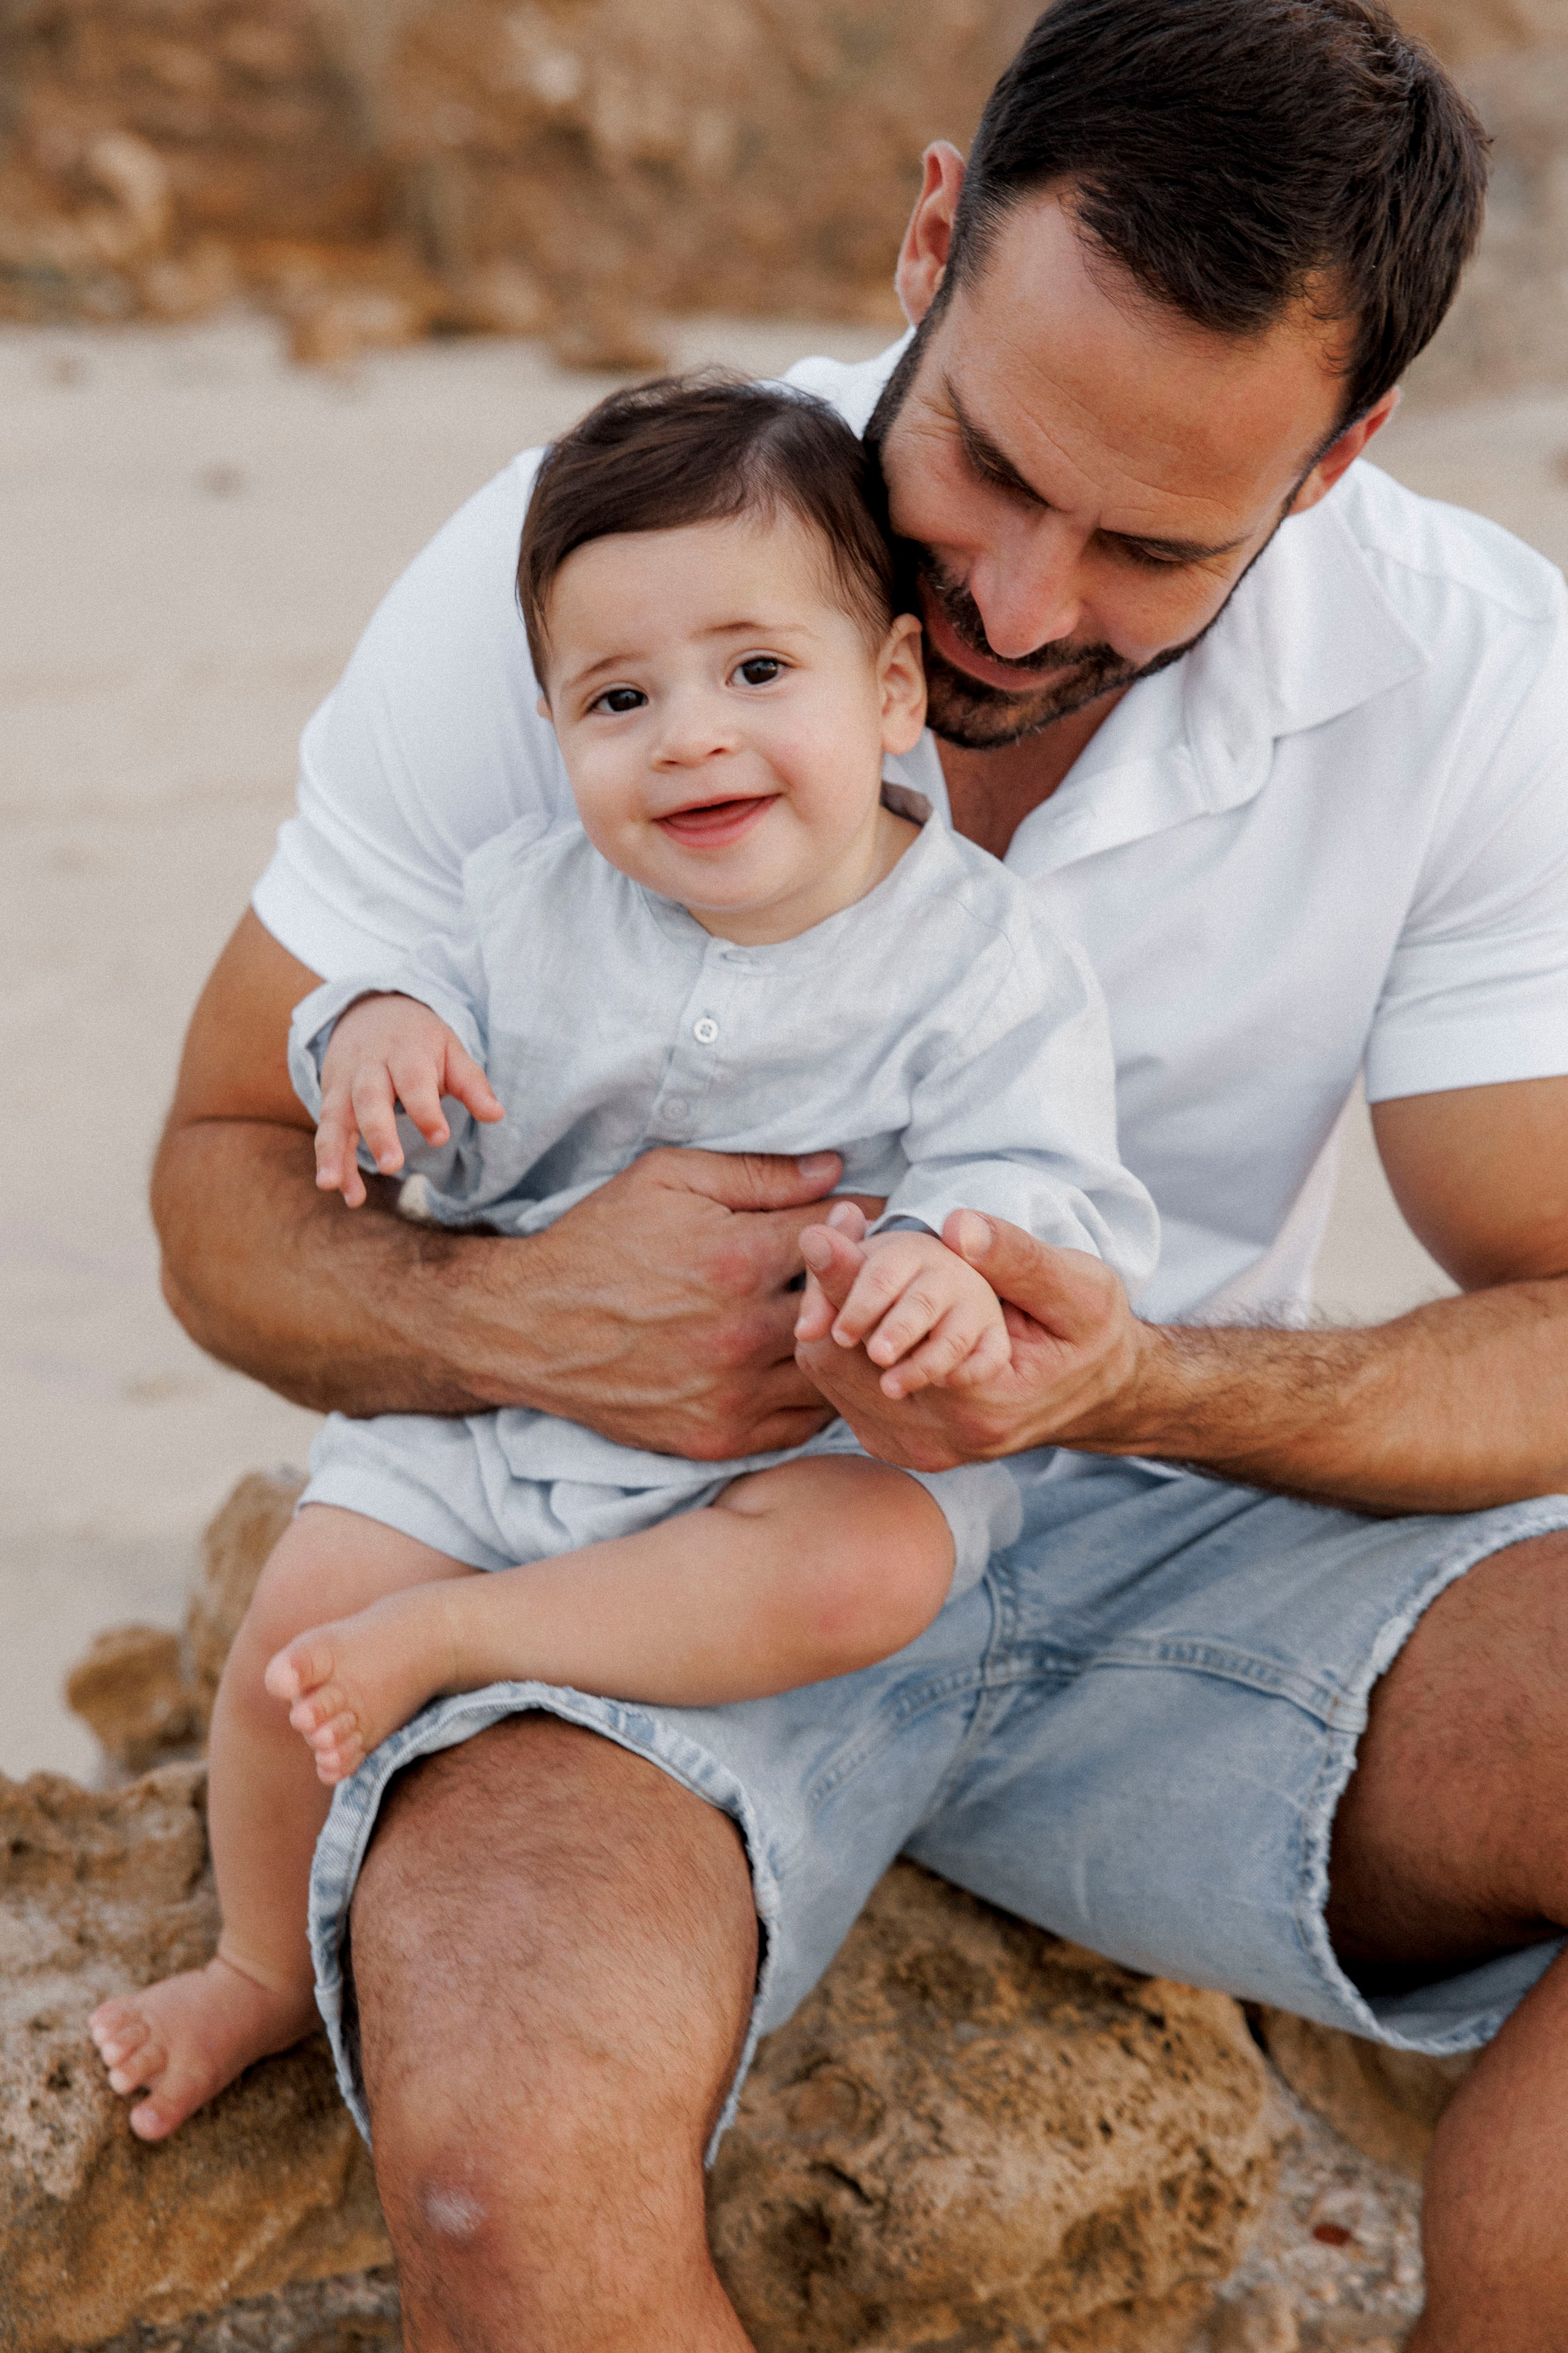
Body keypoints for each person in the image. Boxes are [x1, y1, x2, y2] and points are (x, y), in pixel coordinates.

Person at [141, 0, 1568, 2344]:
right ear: (931, 239)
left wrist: (1133, 1382)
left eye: (1153, 544)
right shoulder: (604, 572)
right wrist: (521, 1317)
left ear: (1337, 461)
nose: (1016, 605)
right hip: (614, 1557)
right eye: (991, 465)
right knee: (497, 2175)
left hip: (1163, 1539)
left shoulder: (1474, 677)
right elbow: (216, 1186)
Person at [86, 377, 1158, 2140]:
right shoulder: (521, 902)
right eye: (618, 699)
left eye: (758, 671)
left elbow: (1043, 1178)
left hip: (783, 1461)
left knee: (882, 1562)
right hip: (506, 1424)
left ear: (893, 686)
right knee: (290, 1634)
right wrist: (373, 1036)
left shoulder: (984, 957)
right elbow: (391, 1015)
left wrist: (947, 1265)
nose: (689, 739)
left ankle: (469, 1637)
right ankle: (259, 1965)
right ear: (553, 726)